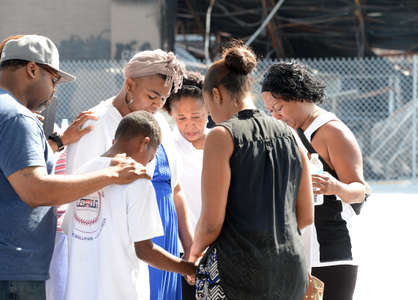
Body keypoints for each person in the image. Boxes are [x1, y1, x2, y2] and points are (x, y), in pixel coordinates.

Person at [0, 34, 149, 299]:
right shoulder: (16, 116)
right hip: (7, 274)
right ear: (32, 69)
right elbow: (36, 190)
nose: (54, 91)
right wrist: (111, 174)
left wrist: (58, 142)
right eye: (53, 80)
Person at [187, 44, 314, 299]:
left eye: (208, 105)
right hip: (291, 272)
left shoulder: (221, 136)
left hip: (239, 274)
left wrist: (194, 254)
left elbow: (211, 224)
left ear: (216, 94)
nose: (210, 115)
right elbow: (306, 215)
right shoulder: (289, 134)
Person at [65, 49, 192, 300]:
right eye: (152, 95)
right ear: (129, 84)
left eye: (163, 99)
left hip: (161, 242)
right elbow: (79, 200)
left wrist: (187, 246)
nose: (157, 104)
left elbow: (175, 188)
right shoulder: (94, 124)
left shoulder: (159, 125)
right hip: (118, 255)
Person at [261, 62, 368, 300]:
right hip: (300, 249)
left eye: (279, 107)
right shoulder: (292, 130)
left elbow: (360, 191)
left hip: (332, 249)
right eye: (270, 111)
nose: (276, 115)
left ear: (298, 95)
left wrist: (335, 187)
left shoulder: (332, 132)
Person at [164, 71, 208, 299]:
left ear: (209, 110)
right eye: (181, 118)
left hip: (221, 248)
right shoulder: (169, 146)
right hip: (185, 250)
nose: (189, 125)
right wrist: (190, 250)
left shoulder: (221, 142)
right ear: (171, 115)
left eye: (196, 117)